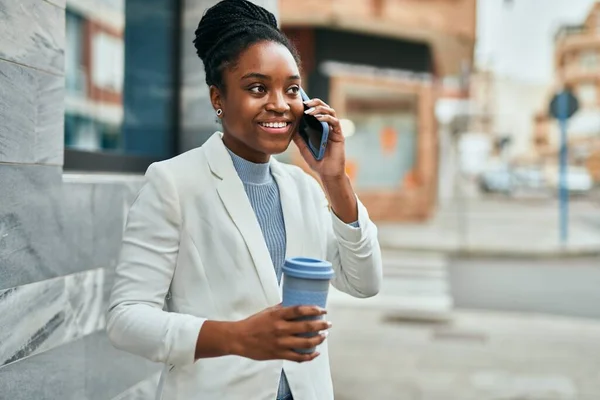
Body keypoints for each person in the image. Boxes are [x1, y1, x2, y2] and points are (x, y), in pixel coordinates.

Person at [106, 1, 382, 399]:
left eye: (290, 89)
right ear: (218, 98)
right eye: (257, 88)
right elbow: (126, 319)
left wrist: (334, 179)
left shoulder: (303, 189)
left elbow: (365, 282)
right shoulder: (174, 183)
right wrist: (235, 337)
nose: (279, 104)